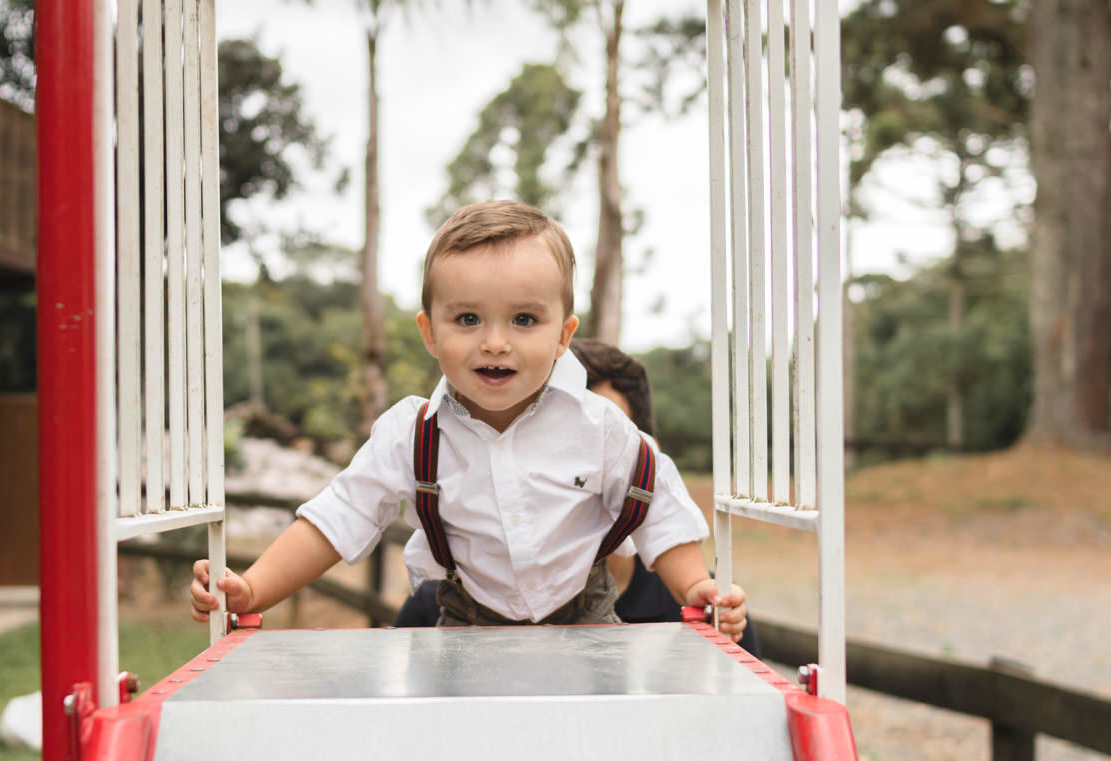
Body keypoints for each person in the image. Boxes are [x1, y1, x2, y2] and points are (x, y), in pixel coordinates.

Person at [191, 200, 747, 638]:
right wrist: (254, 588)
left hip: (587, 619)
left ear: (563, 336)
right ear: (430, 333)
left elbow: (660, 510)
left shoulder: (600, 428)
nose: (495, 342)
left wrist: (695, 584)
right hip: (468, 621)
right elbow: (338, 517)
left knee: (588, 741)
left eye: (524, 319)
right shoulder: (413, 435)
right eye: (468, 318)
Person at [393, 337, 761, 657]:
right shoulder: (437, 603)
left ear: (644, 454)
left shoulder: (703, 604)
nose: (590, 459)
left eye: (603, 442)